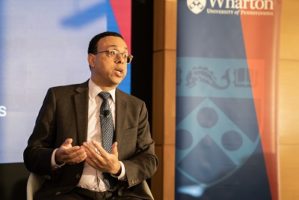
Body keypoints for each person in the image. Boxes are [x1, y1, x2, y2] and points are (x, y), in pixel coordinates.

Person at [23, 31, 158, 200]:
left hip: (121, 194)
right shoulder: (59, 98)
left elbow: (149, 159)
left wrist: (118, 168)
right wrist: (57, 156)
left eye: (125, 55)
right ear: (92, 60)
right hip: (70, 192)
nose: (121, 60)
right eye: (112, 52)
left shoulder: (136, 107)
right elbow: (32, 154)